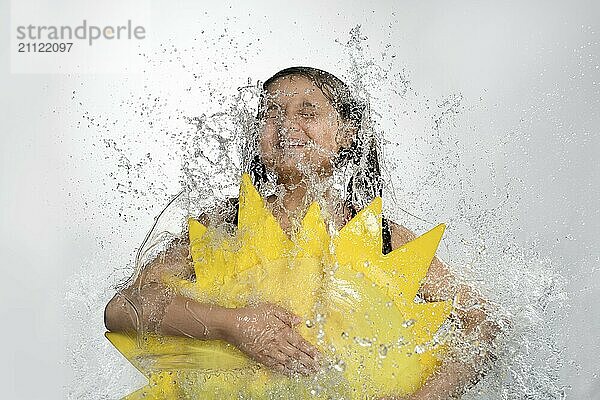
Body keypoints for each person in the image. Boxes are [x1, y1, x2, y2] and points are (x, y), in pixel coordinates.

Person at [104, 66, 500, 399]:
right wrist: (233, 324)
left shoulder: (385, 239)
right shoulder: (222, 229)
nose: (287, 125)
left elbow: (482, 323)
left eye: (307, 112)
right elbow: (123, 308)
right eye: (273, 114)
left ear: (346, 134)